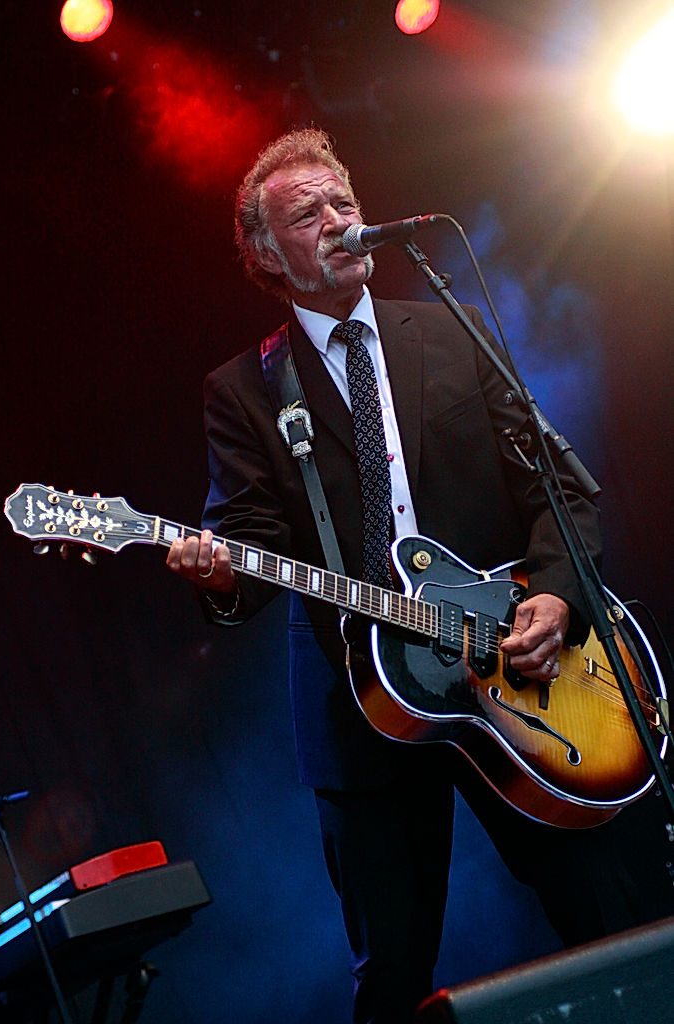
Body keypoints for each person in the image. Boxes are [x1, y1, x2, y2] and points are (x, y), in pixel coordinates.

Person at [166, 128, 646, 1023]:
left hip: (513, 669)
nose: (337, 221)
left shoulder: (449, 328)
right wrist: (216, 573)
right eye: (306, 214)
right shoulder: (243, 390)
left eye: (342, 201)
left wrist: (553, 593)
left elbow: (555, 483)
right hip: (365, 701)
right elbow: (251, 545)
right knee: (392, 973)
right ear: (267, 256)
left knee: (609, 910)